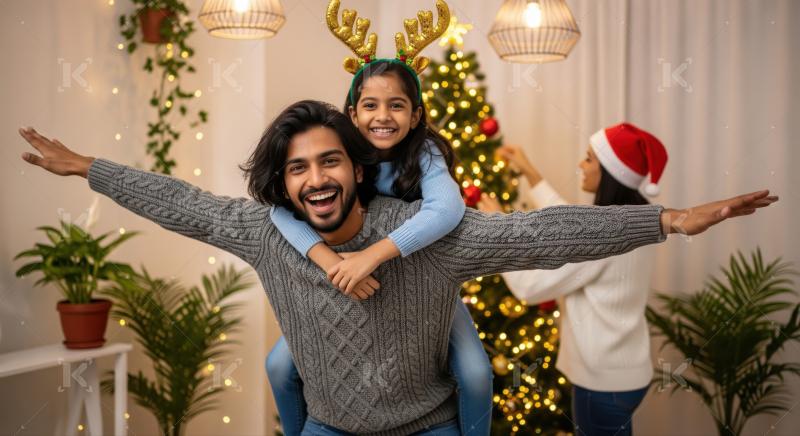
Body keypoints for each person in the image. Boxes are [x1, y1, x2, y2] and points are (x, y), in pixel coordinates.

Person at [18, 101, 777, 435]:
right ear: (280, 184)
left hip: (427, 428)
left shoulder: (423, 231)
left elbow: (540, 236)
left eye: (329, 161)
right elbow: (180, 202)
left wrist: (669, 219)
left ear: (358, 167)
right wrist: (90, 167)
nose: (313, 178)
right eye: (295, 168)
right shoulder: (262, 231)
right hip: (332, 429)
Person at [266, 1, 493, 433]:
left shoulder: (424, 153)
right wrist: (330, 261)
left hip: (424, 288)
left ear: (415, 116)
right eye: (370, 105)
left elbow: (448, 209)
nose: (382, 117)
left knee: (478, 374)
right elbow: (279, 209)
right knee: (279, 365)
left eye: (396, 106)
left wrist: (374, 254)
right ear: (353, 113)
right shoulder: (338, 153)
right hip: (346, 286)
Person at [475, 123, 671, 436]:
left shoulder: (600, 237)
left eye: (590, 159)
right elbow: (570, 221)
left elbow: (528, 287)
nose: (581, 164)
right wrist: (530, 172)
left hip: (603, 386)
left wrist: (498, 229)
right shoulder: (636, 220)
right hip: (627, 376)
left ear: (611, 172)